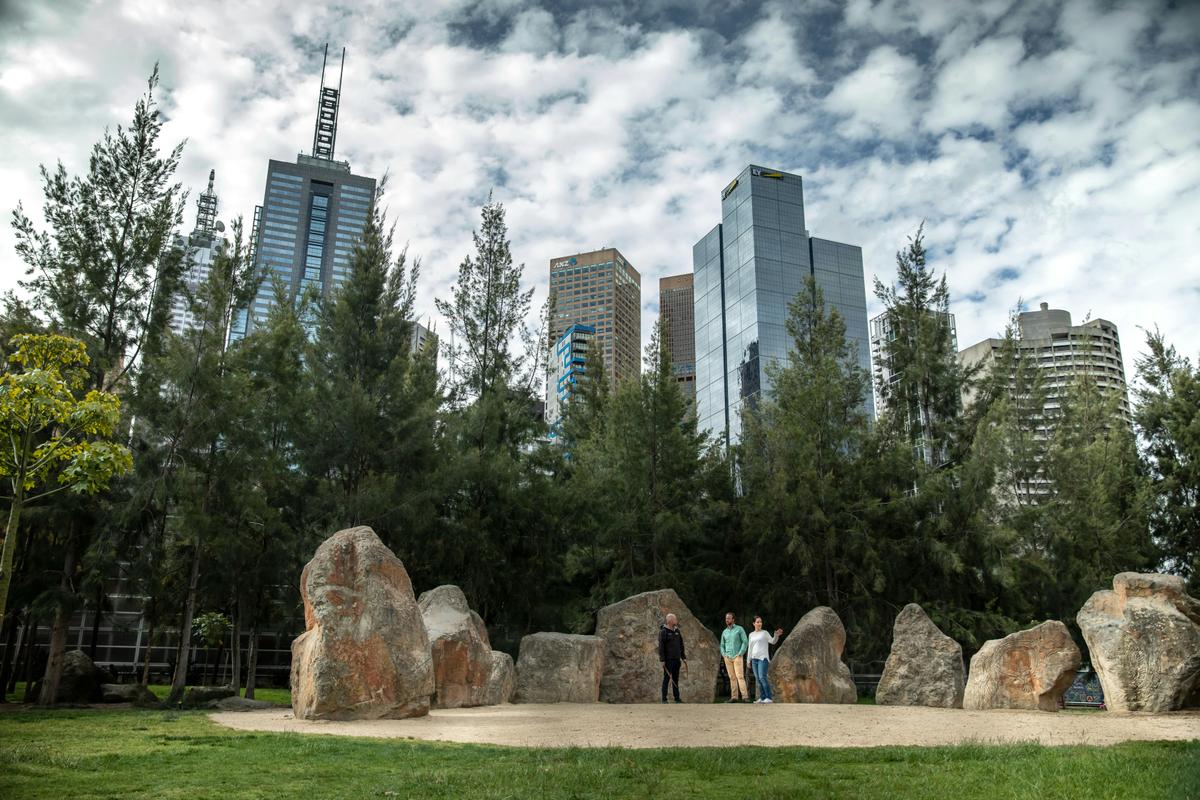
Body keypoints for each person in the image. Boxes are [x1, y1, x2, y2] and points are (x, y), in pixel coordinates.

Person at [747, 616, 784, 703]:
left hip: (763, 659)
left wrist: (776, 635)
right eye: (757, 622)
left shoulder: (764, 633)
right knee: (758, 679)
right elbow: (750, 648)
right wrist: (748, 660)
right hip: (754, 659)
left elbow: (772, 641)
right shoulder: (751, 635)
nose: (760, 623)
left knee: (762, 677)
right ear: (754, 623)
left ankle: (769, 697)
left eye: (760, 622)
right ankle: (762, 697)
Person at [720, 612, 749, 702]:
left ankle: (745, 697)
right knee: (732, 677)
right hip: (727, 657)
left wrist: (740, 653)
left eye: (729, 618)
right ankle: (734, 697)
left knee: (740, 676)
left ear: (733, 619)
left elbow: (745, 641)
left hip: (737, 656)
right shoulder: (724, 632)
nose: (727, 620)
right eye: (726, 618)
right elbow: (722, 644)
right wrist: (724, 654)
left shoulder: (739, 629)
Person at [658, 612, 686, 703]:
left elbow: (681, 644)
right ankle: (664, 699)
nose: (676, 620)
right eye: (675, 619)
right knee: (666, 679)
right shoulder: (663, 632)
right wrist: (662, 659)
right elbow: (661, 646)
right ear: (670, 621)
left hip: (677, 659)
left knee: (675, 679)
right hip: (668, 660)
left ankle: (677, 698)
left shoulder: (677, 631)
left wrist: (683, 657)